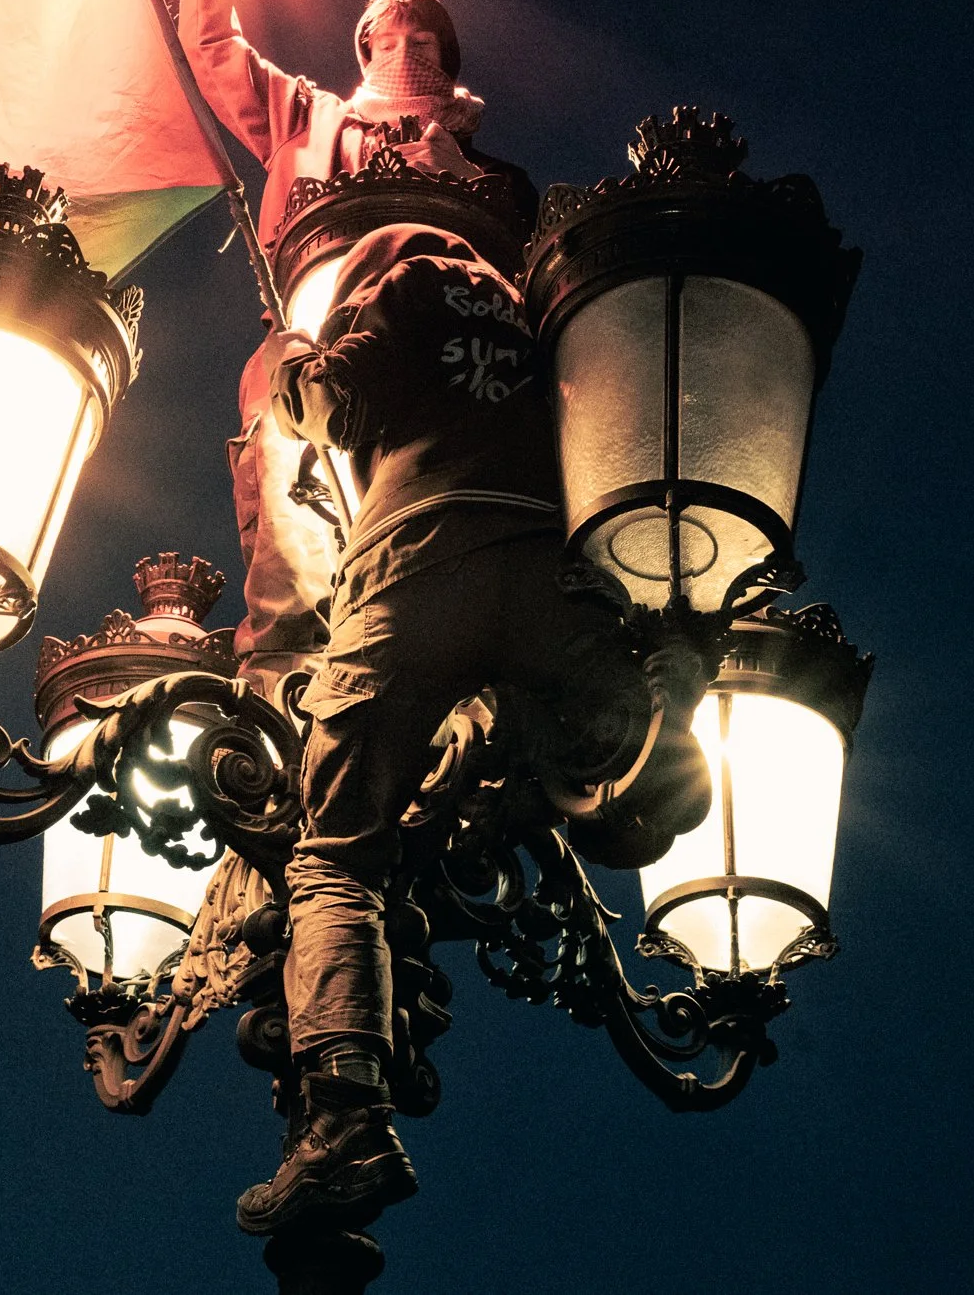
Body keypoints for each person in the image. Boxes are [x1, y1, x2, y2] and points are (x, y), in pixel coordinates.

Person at [232, 224, 694, 1238]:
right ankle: (657, 742)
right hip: (552, 576)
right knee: (627, 729)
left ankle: (346, 1120)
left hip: (417, 561)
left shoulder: (405, 281)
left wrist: (293, 361)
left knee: (335, 853)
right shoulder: (548, 319)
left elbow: (337, 407)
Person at [181, 0, 538, 699]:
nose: (403, 50)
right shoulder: (307, 119)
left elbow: (532, 277)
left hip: (449, 375)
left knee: (446, 561)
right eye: (387, 38)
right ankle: (283, 702)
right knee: (292, 547)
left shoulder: (496, 177)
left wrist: (465, 181)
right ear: (364, 49)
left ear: (447, 58)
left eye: (423, 41)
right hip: (311, 353)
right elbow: (211, 48)